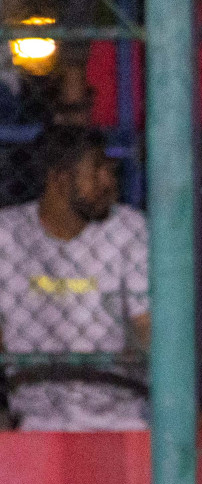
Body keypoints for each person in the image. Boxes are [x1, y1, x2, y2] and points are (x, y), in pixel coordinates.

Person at [0, 124, 148, 431]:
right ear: (59, 179)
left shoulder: (129, 228)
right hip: (34, 412)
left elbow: (146, 326)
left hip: (121, 410)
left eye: (110, 170)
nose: (109, 182)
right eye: (96, 171)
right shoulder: (8, 233)